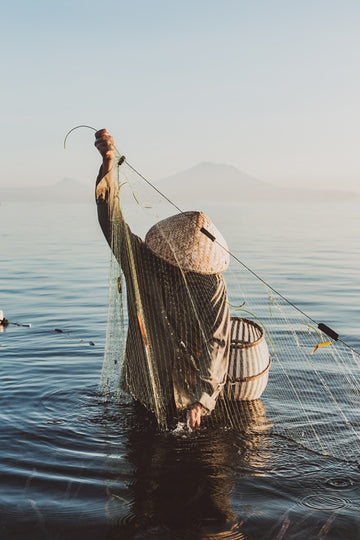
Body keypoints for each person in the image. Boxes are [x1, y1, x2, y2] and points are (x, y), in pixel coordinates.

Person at [94, 129, 230, 428]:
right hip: (141, 384)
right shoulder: (141, 260)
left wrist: (202, 400)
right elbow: (111, 222)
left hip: (187, 394)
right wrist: (108, 165)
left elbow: (216, 341)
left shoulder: (211, 285)